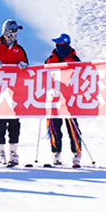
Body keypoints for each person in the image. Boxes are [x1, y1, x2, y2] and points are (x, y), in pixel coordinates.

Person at [0, 19, 29, 167]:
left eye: (16, 31)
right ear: (6, 31)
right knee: (0, 123)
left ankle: (13, 153)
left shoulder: (20, 49)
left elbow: (27, 71)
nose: (15, 34)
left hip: (15, 92)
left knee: (15, 123)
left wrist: (24, 66)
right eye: (12, 31)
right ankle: (1, 153)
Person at [44, 34, 84, 168]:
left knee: (72, 126)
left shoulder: (74, 59)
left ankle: (76, 153)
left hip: (69, 98)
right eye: (57, 44)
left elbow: (81, 75)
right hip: (54, 97)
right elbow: (44, 74)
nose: (57, 47)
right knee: (54, 126)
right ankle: (56, 153)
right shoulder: (51, 58)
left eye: (60, 44)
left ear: (66, 45)